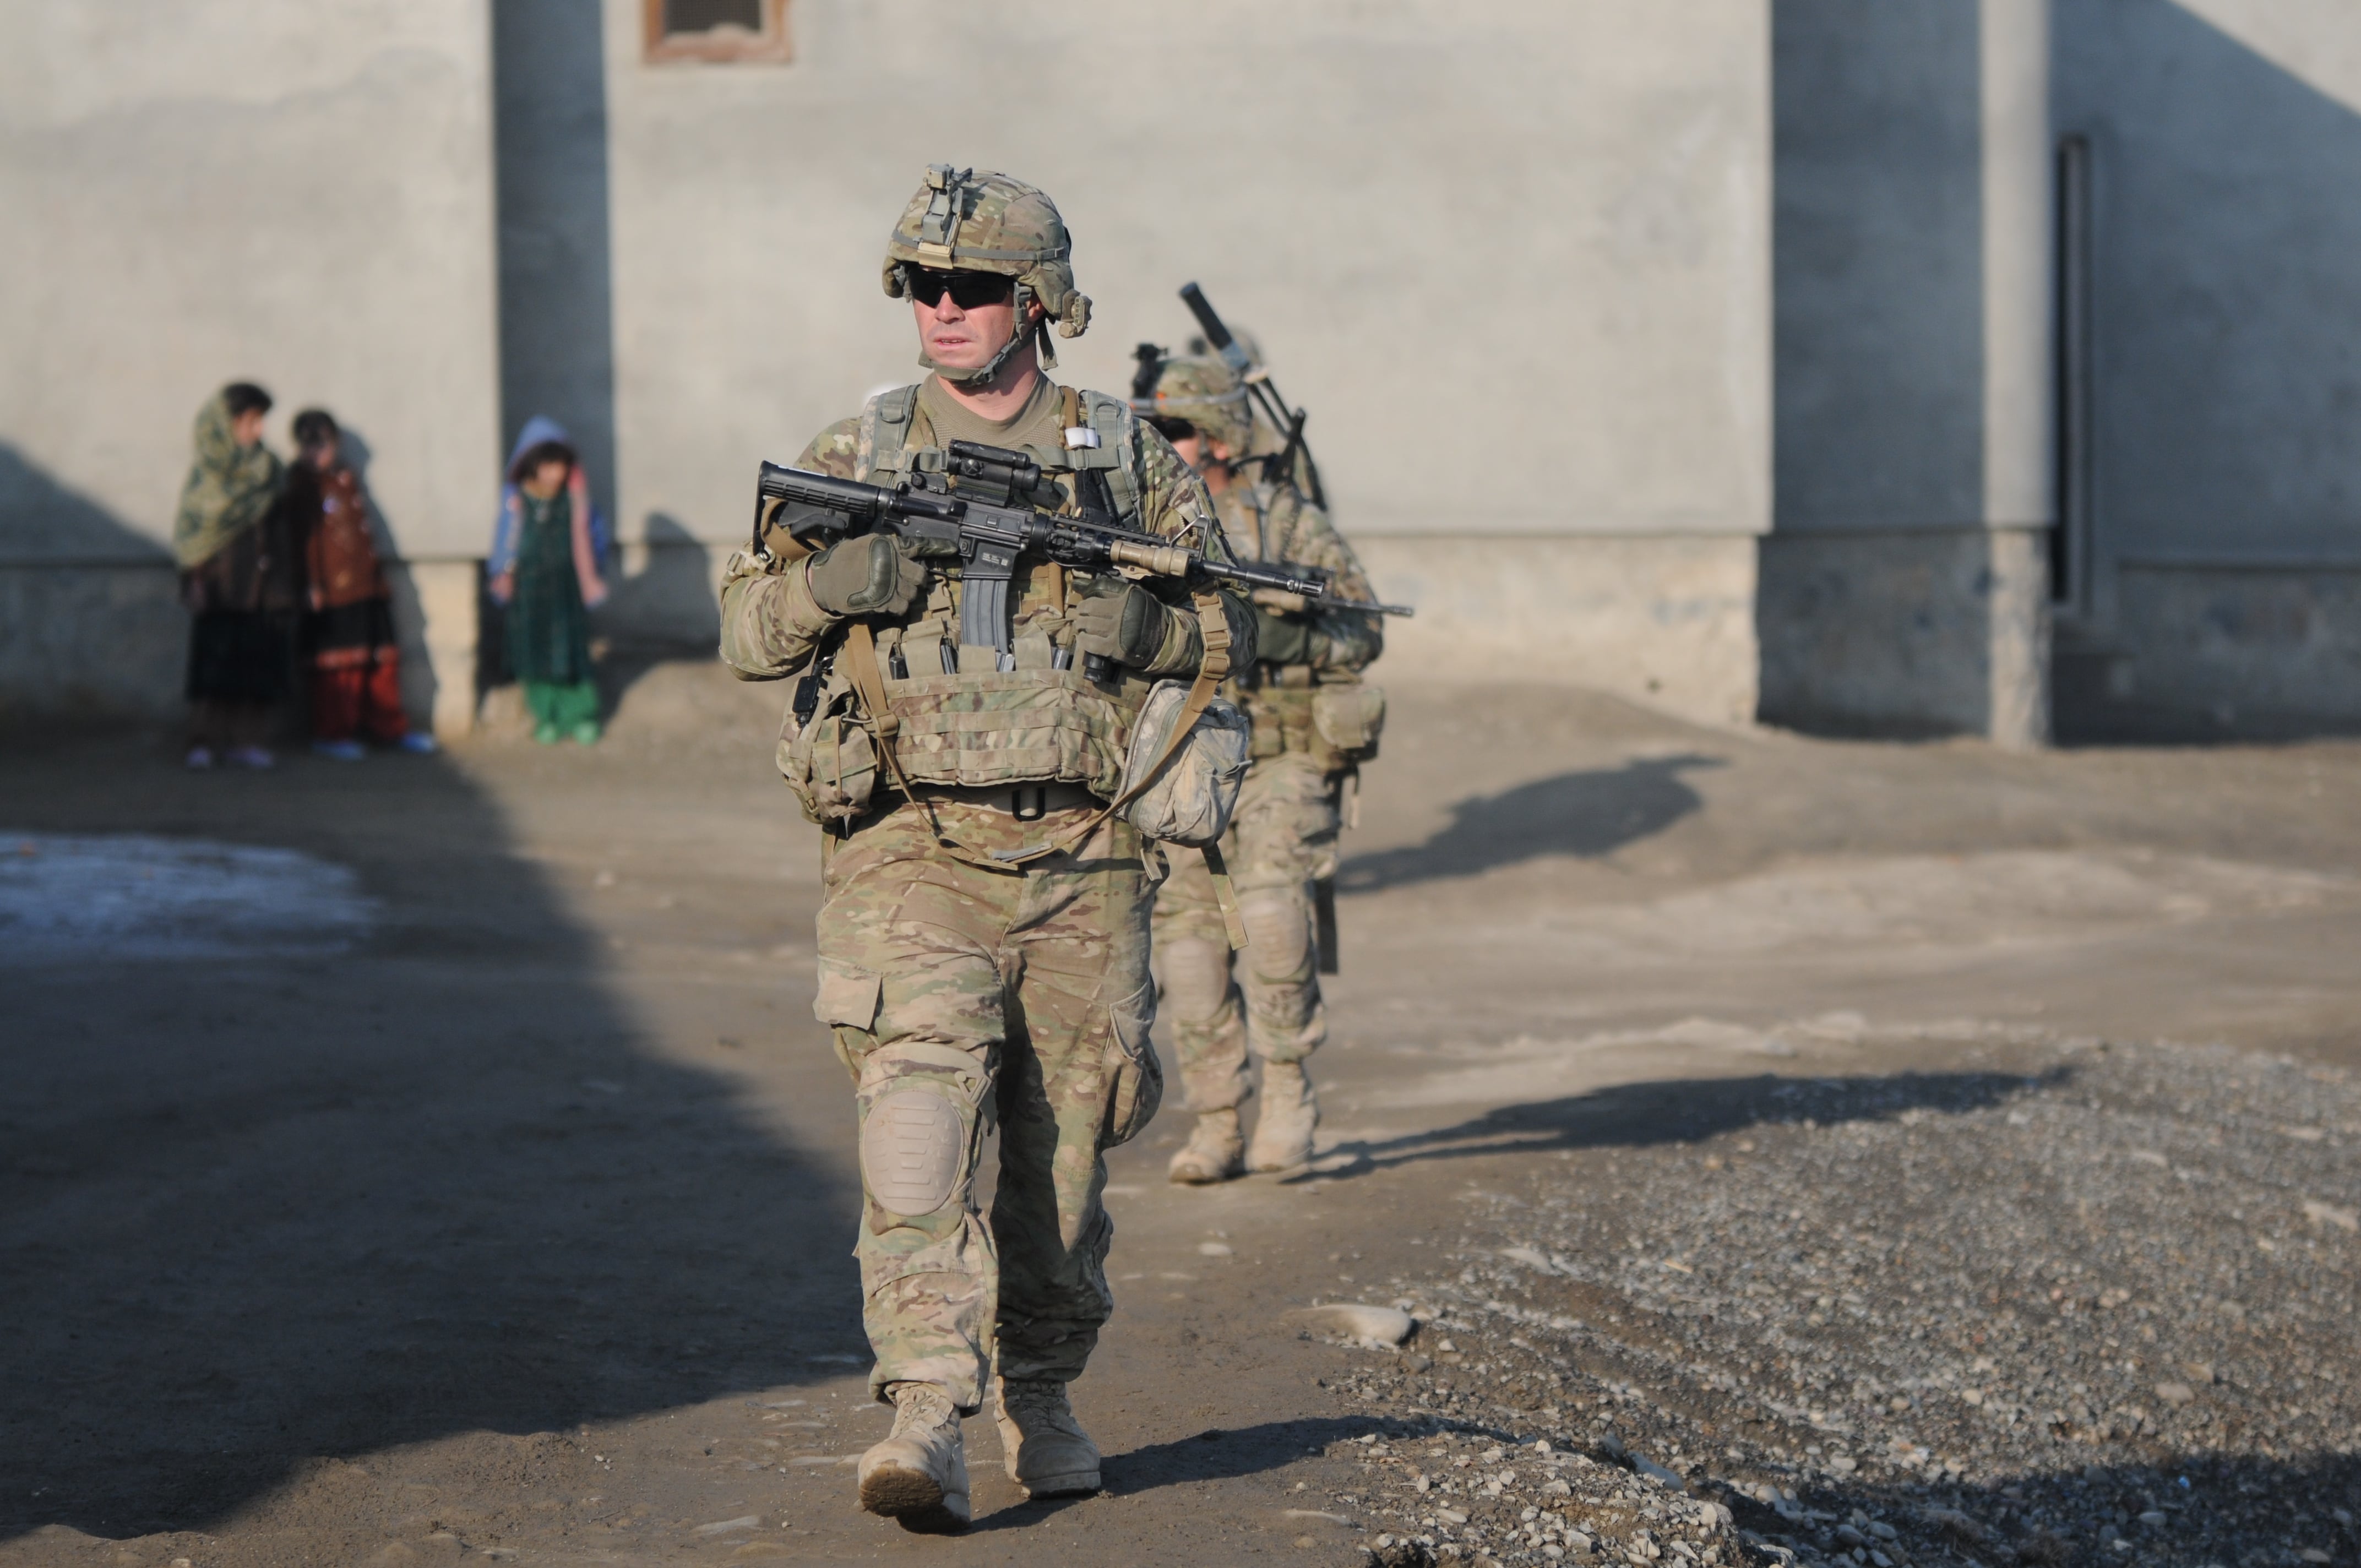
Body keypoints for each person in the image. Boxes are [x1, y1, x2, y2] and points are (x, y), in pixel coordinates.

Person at [717, 165, 1254, 1534]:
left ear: (1038, 303)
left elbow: (1227, 633)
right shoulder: (854, 454)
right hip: (909, 847)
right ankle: (923, 1409)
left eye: (968, 288)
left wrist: (1137, 632)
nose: (941, 308)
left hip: (1082, 854)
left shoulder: (1124, 458)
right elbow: (745, 632)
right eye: (923, 285)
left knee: (1066, 1157)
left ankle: (1047, 1387)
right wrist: (834, 585)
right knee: (915, 1122)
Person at [1134, 353, 1384, 1183]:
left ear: (1223, 437)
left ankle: (1287, 1092)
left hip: (1279, 751)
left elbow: (1365, 629)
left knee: (1274, 917)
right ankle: (1215, 1119)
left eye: (1185, 430)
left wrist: (1291, 638)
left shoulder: (1286, 522)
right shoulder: (1143, 515)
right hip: (1187, 755)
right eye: (1160, 430)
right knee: (1191, 953)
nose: (1171, 445)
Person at [287, 409, 436, 759]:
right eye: (311, 446)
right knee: (339, 669)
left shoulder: (346, 479)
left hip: (366, 588)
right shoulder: (301, 488)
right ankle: (333, 733)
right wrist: (311, 585)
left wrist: (378, 580)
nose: (319, 453)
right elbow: (302, 542)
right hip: (330, 594)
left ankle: (389, 729)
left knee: (381, 663)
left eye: (325, 444)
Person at [174, 382, 294, 769]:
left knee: (255, 669)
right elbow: (192, 534)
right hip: (219, 588)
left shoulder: (270, 471)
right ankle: (203, 741)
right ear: (225, 424)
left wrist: (283, 584)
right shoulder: (207, 474)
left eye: (260, 421)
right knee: (213, 670)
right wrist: (193, 580)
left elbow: (282, 531)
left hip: (261, 588)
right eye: (248, 421)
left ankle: (247, 740)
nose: (256, 431)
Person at [489, 418, 607, 744]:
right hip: (527, 593)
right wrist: (501, 575)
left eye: (560, 465)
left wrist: (595, 575)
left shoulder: (576, 502)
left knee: (571, 655)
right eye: (547, 465)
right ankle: (547, 717)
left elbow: (595, 540)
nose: (554, 474)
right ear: (530, 465)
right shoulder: (516, 502)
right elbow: (503, 543)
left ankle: (581, 716)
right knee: (534, 656)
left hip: (566, 591)